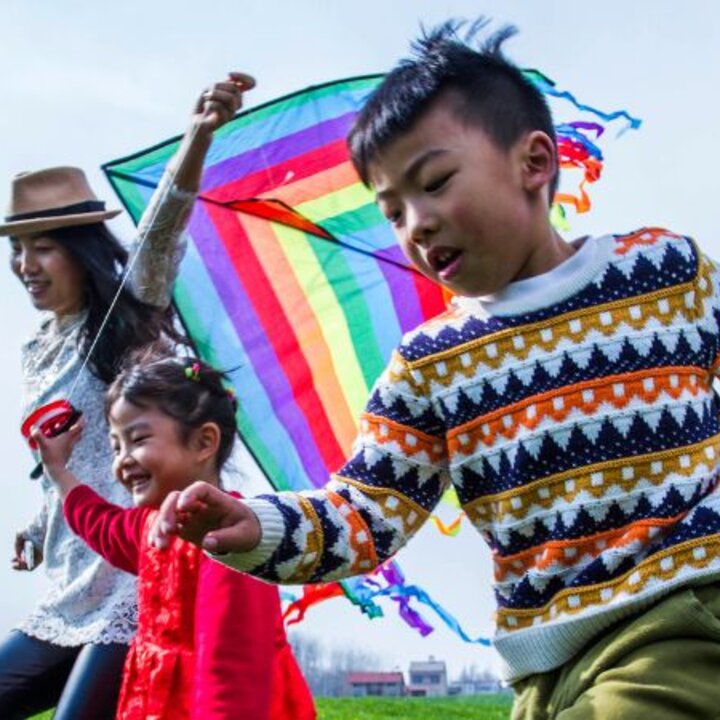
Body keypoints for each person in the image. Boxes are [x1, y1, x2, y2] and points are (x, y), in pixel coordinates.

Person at [151, 20, 720, 720]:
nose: (414, 223)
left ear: (535, 163)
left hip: (677, 618)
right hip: (543, 668)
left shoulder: (664, 274)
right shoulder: (430, 365)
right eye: (392, 210)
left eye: (435, 183)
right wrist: (258, 526)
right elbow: (365, 514)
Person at [0, 73, 254, 719]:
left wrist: (197, 136)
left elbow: (160, 234)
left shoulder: (117, 319)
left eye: (44, 248)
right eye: (17, 249)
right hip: (68, 581)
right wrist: (37, 525)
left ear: (81, 252)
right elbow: (64, 459)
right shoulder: (35, 350)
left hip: (136, 578)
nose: (26, 264)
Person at [33, 354, 316, 720]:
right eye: (116, 446)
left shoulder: (231, 535)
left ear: (203, 442)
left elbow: (234, 678)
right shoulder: (150, 526)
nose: (122, 460)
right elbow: (100, 524)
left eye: (138, 440)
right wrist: (58, 470)